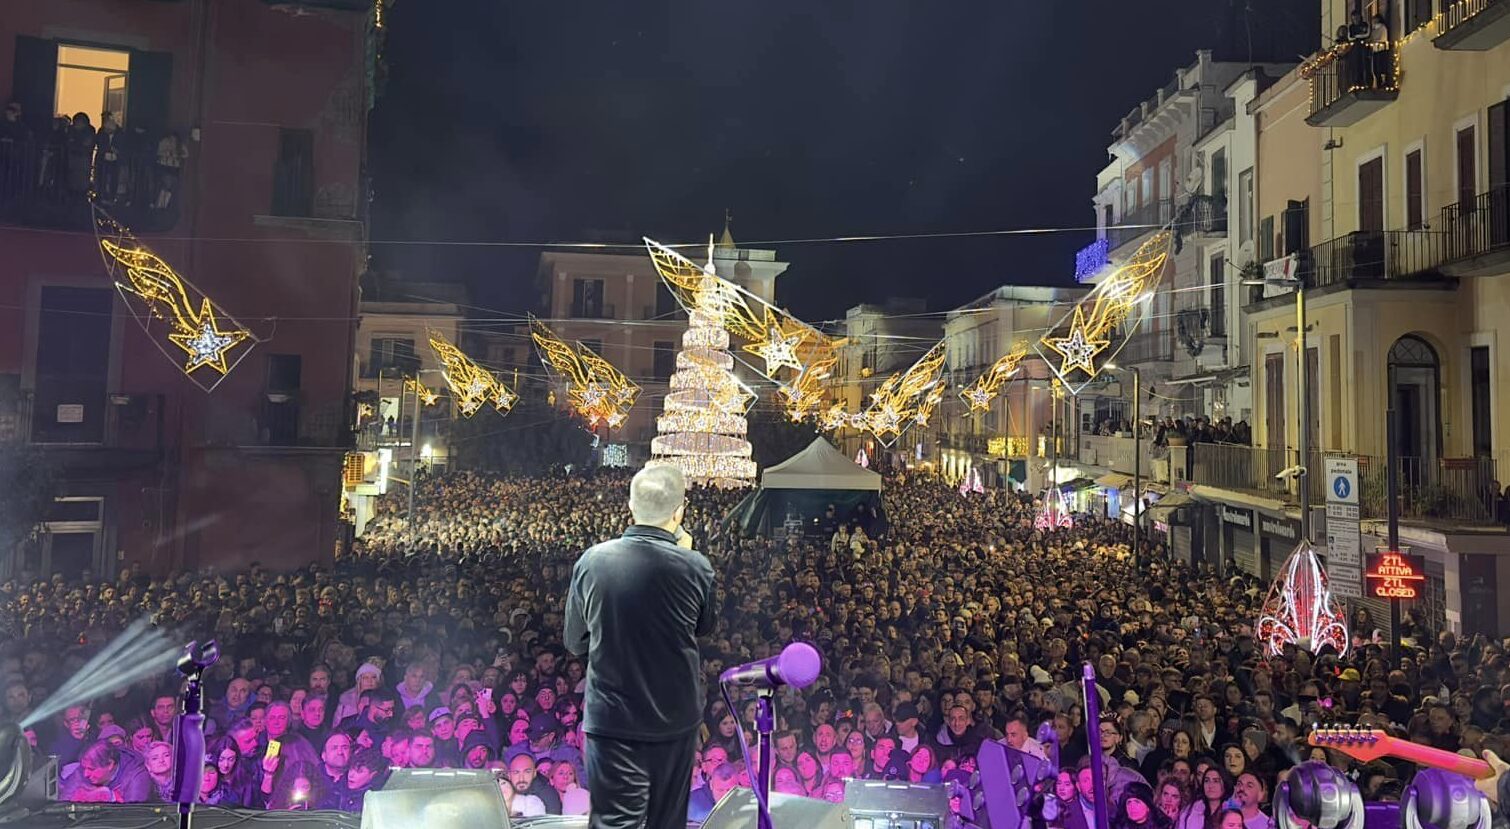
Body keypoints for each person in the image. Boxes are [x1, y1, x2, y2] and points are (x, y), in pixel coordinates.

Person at [565, 465, 716, 829]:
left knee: (613, 823)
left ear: (630, 506)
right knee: (667, 822)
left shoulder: (593, 561)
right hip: (674, 719)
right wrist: (687, 557)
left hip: (612, 718)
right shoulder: (696, 566)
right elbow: (704, 627)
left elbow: (575, 641)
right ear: (679, 512)